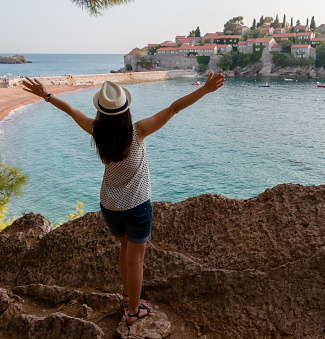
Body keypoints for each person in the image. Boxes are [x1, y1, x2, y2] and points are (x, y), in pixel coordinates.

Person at [21, 73, 225, 326]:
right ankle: (132, 311)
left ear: (101, 112)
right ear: (125, 110)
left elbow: (72, 111)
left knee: (125, 249)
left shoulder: (96, 130)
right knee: (136, 259)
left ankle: (128, 295)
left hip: (109, 206)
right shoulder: (138, 131)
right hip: (137, 207)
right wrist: (204, 89)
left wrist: (46, 95)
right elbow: (174, 108)